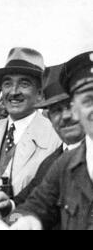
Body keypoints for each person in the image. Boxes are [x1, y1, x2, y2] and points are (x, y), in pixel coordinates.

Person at [10, 51, 93, 230]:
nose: (65, 117)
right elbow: (30, 207)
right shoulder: (63, 163)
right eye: (56, 110)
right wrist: (23, 220)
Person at [0, 64, 85, 217]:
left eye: (71, 106)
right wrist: (9, 206)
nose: (65, 116)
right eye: (56, 110)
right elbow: (34, 202)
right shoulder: (55, 160)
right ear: (49, 117)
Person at [0, 48, 61, 197]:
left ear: (40, 93)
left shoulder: (55, 137)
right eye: (7, 84)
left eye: (24, 84)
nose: (13, 92)